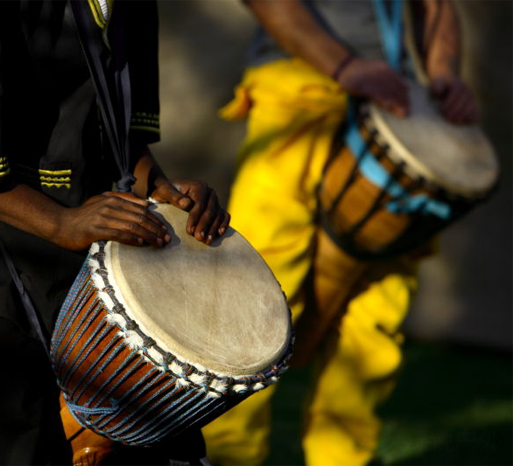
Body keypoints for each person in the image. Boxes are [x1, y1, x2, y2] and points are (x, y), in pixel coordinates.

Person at [0, 1, 230, 465]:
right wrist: (61, 222)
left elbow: (116, 130)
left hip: (82, 250)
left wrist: (162, 190)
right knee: (18, 445)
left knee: (154, 448)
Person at [201, 1, 478, 465]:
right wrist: (344, 65)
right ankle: (227, 456)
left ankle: (344, 457)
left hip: (398, 107)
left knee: (377, 311)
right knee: (256, 298)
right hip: (297, 89)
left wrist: (443, 73)